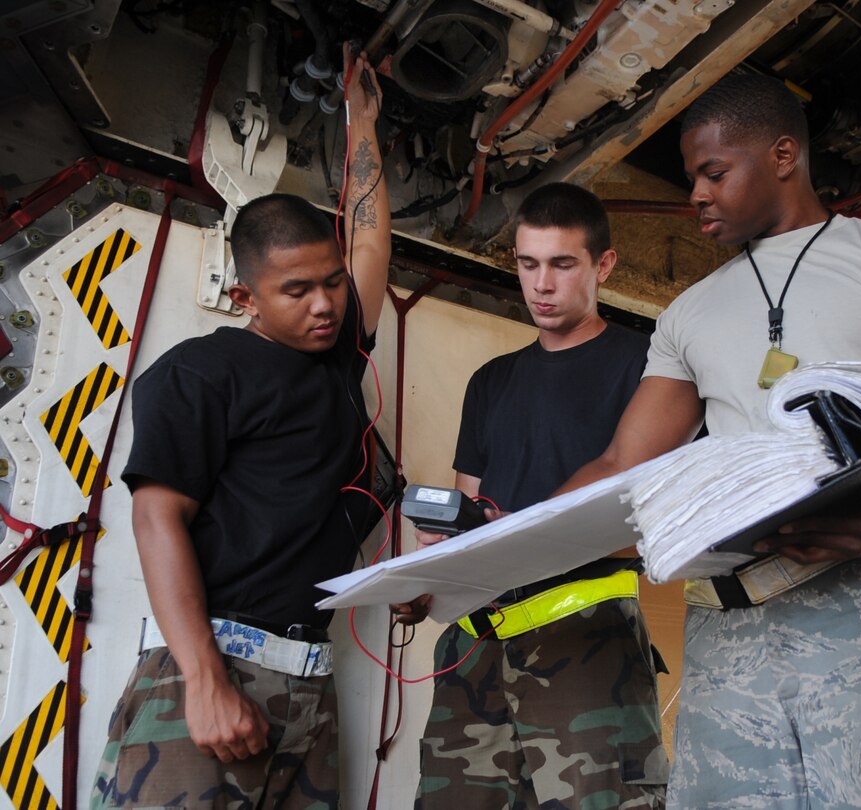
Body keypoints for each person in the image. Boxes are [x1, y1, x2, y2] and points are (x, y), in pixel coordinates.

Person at [557, 73, 861, 808]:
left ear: (783, 155)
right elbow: (625, 462)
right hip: (731, 629)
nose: (697, 196)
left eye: (714, 173)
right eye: (692, 179)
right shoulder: (687, 314)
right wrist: (498, 543)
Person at [89, 45, 389, 809]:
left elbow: (369, 239)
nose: (324, 304)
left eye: (329, 282)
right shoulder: (199, 375)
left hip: (308, 684)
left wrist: (362, 125)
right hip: (214, 668)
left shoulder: (334, 362)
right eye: (296, 291)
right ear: (247, 296)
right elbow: (157, 518)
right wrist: (204, 680)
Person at [397, 183, 667, 809]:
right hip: (473, 650)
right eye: (527, 264)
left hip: (586, 645)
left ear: (604, 265)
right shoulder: (491, 382)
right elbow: (469, 514)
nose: (540, 284)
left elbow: (668, 517)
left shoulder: (651, 367)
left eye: (562, 264)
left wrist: (530, 532)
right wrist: (427, 573)